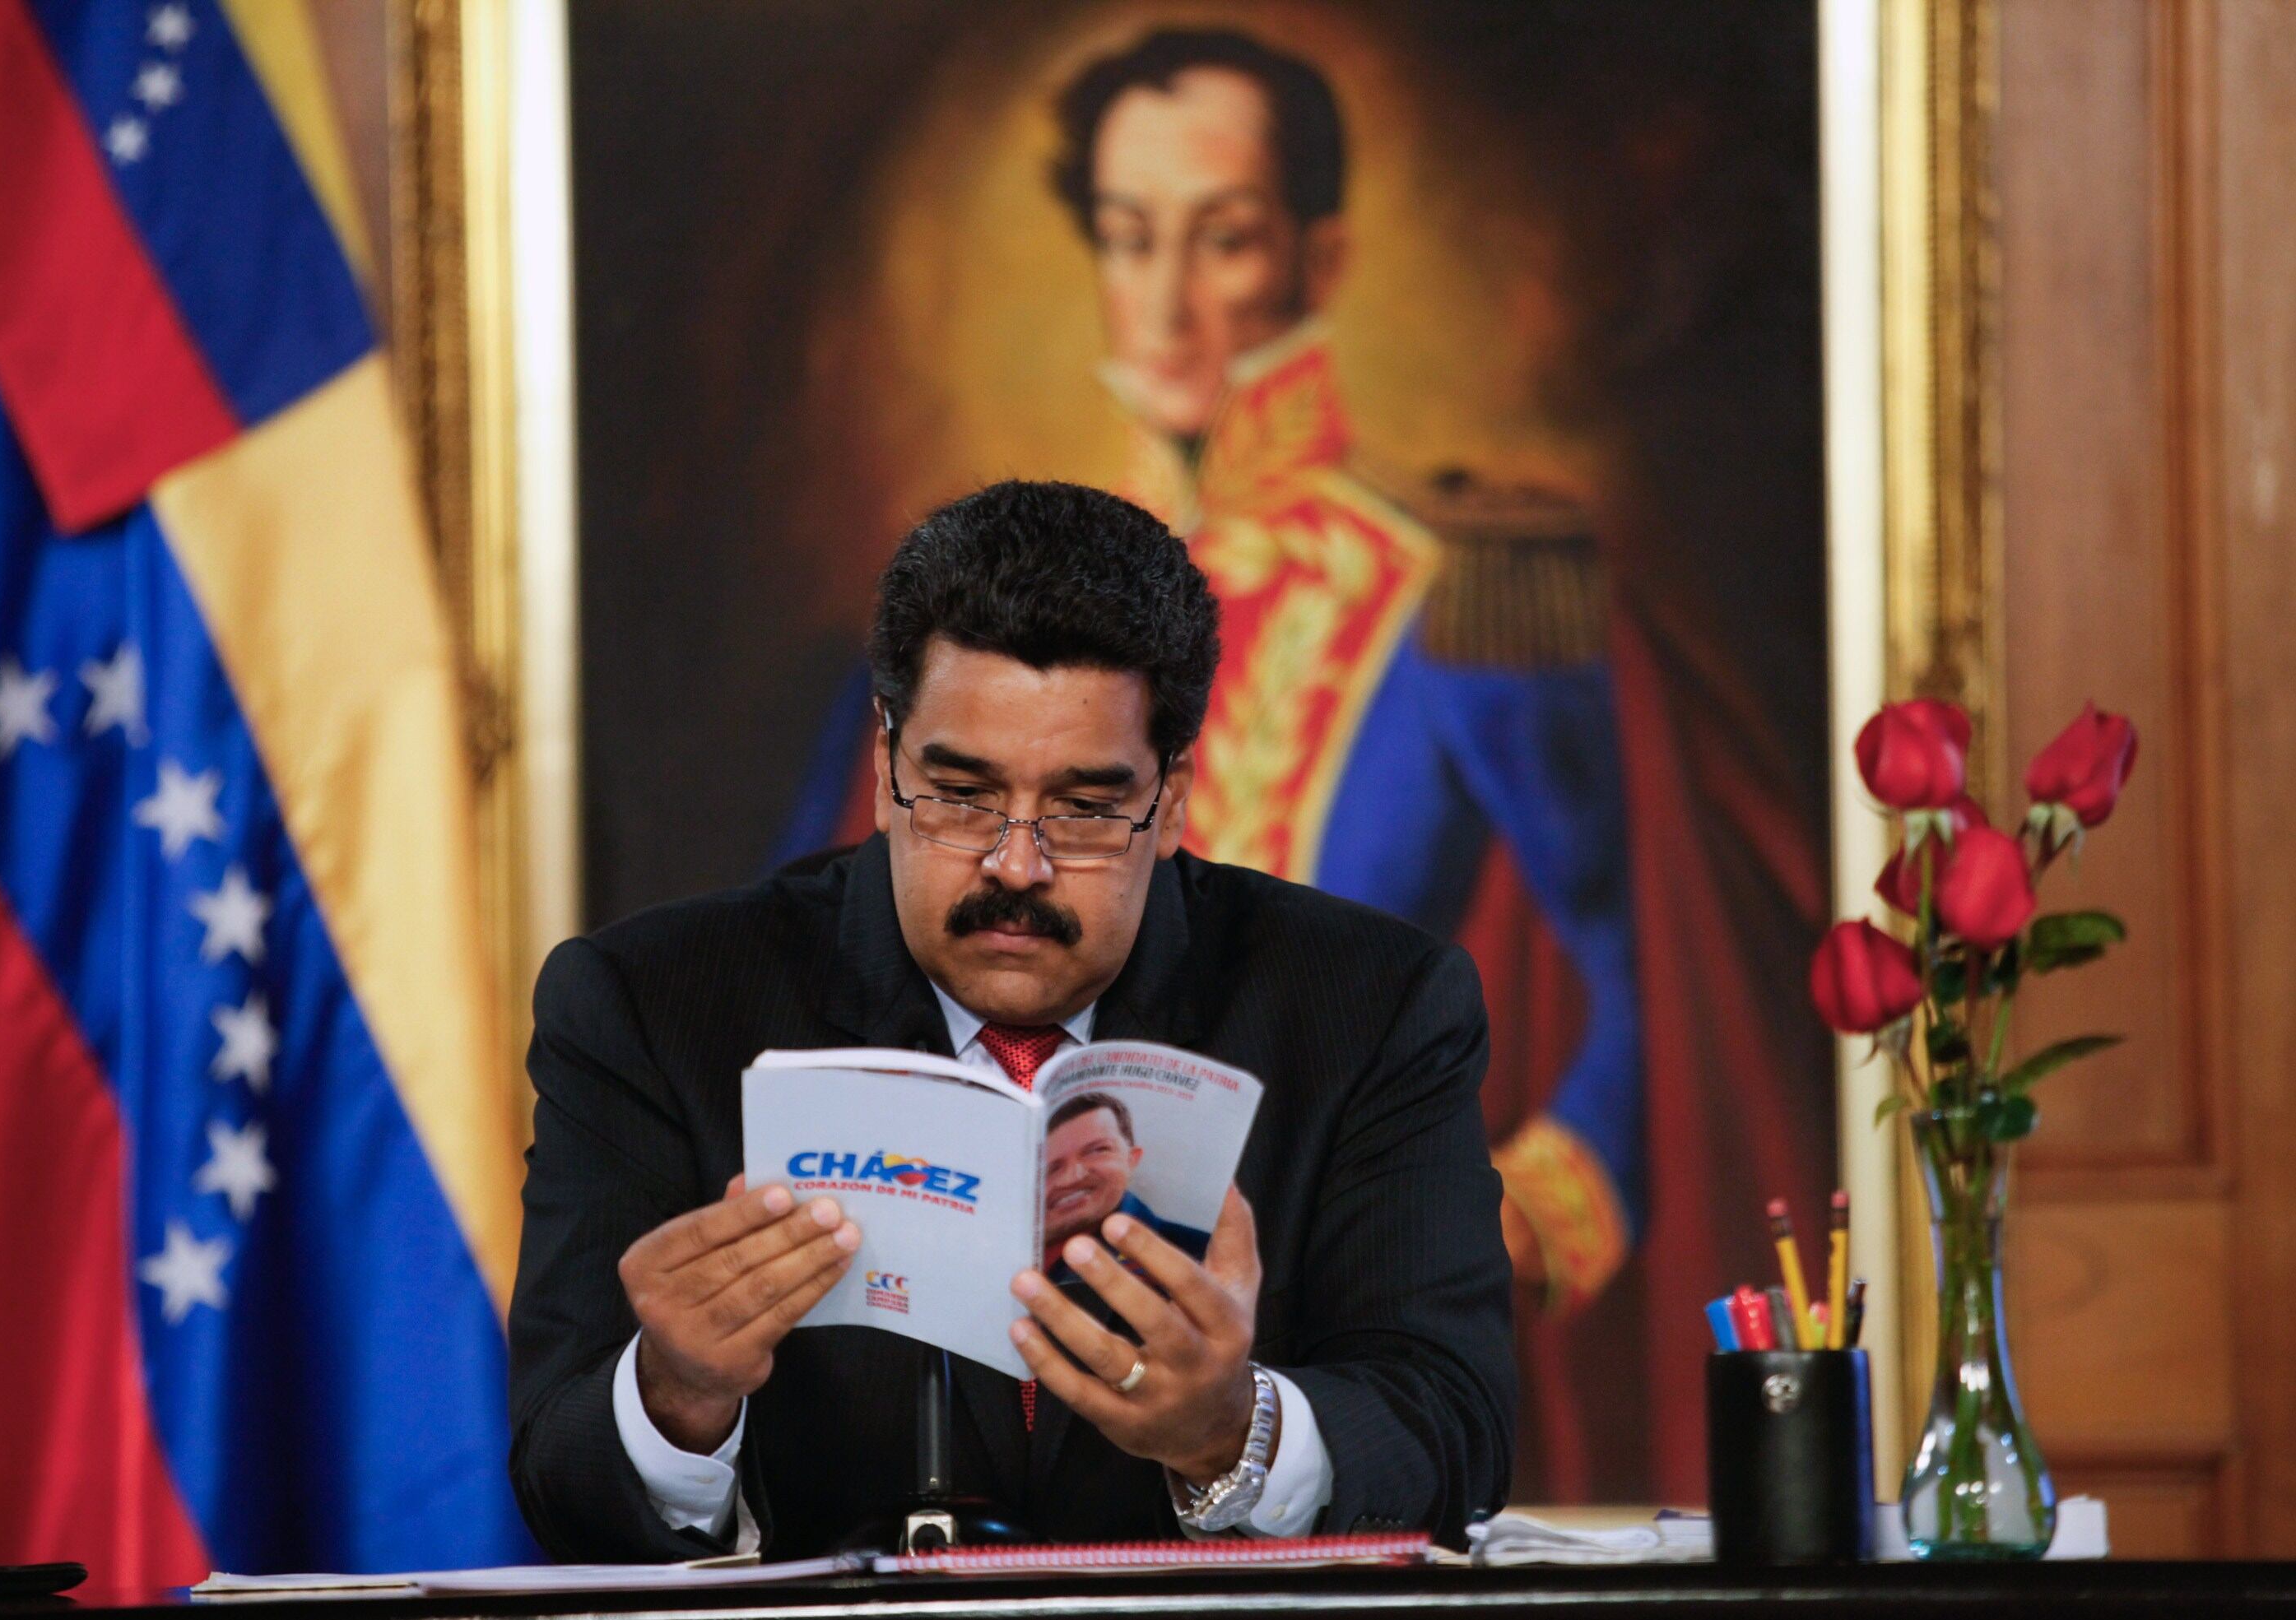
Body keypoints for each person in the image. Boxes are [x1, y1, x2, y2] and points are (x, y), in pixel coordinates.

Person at [777, 26, 1830, 1500]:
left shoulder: (1460, 602)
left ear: (1315, 259)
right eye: (1130, 236)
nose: (1166, 297)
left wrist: (1481, 1242)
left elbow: (1643, 989)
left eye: (1222, 240)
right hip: (975, 1371)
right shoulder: (965, 627)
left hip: (1321, 1362)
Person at [510, 480, 1514, 1557]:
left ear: (1172, 797)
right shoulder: (652, 1006)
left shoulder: (1368, 1007)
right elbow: (557, 1475)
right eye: (962, 795)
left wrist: (1234, 1431)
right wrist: (675, 1395)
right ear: (888, 765)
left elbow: (1454, 1433)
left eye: (1083, 809)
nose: (1016, 865)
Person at [1039, 1091, 1205, 1270]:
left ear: (1132, 1159)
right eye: (1050, 1169)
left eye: (1097, 1151)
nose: (1073, 1177)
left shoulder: (1200, 1255)